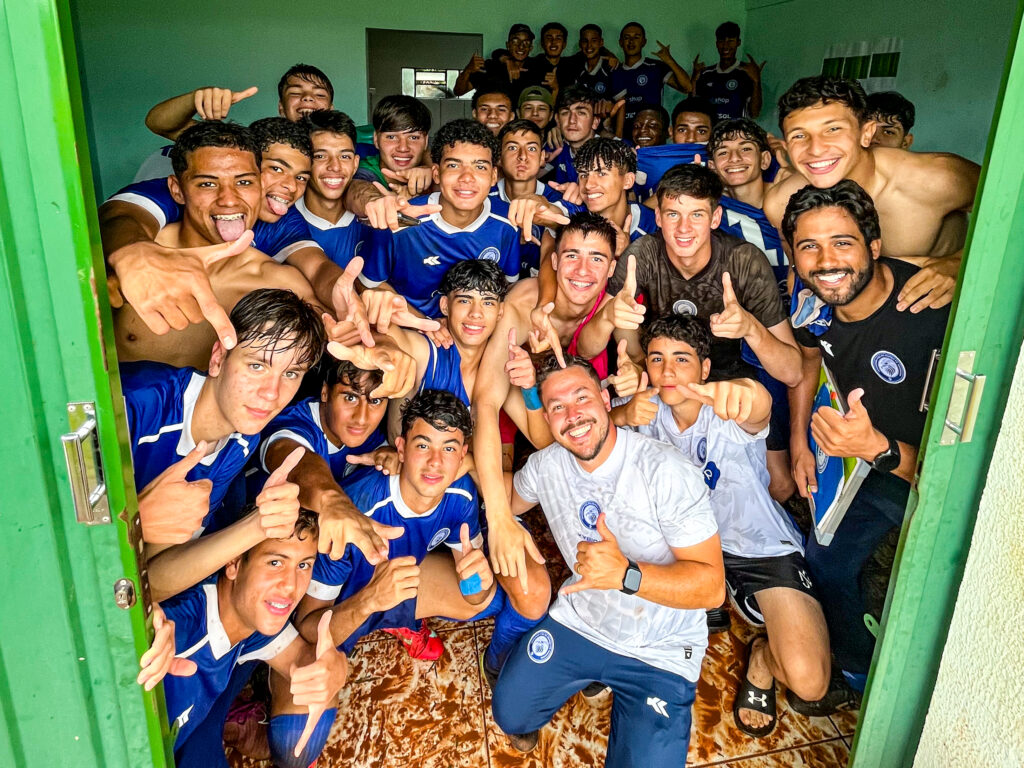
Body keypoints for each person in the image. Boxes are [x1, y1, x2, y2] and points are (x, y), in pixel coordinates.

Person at [490, 355, 724, 764]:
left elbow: (712, 588)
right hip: (583, 621)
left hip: (660, 646)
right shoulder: (546, 466)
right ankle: (588, 675)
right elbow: (504, 499)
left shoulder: (665, 469)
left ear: (604, 398)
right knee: (510, 713)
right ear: (546, 418)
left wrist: (626, 575)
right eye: (558, 407)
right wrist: (459, 470)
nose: (573, 416)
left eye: (581, 397)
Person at [612, 315, 829, 736]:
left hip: (755, 544)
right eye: (656, 359)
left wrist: (748, 393)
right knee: (619, 589)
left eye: (682, 359)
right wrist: (621, 414)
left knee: (809, 680)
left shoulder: (727, 406)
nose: (668, 370)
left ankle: (761, 655)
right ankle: (704, 598)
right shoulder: (643, 407)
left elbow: (757, 406)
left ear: (706, 368)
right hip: (679, 547)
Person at [782, 180, 950, 705]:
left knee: (943, 587)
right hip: (866, 462)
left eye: (842, 242)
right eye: (809, 246)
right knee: (825, 560)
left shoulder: (933, 307)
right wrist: (799, 440)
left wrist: (879, 448)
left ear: (875, 246)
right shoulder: (810, 304)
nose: (826, 261)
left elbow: (973, 463)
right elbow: (808, 358)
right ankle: (857, 674)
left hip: (931, 473)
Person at [295, 389, 545, 673]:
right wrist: (370, 600)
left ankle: (397, 621)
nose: (435, 462)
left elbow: (474, 596)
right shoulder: (358, 508)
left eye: (449, 448)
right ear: (401, 448)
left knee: (492, 599)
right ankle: (383, 616)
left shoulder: (461, 494)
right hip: (349, 602)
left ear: (463, 455)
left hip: (399, 581)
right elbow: (308, 629)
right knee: (315, 663)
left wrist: (478, 580)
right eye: (423, 445)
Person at [473, 214, 639, 601]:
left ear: (611, 268)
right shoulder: (522, 305)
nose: (582, 270)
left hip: (555, 408)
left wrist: (634, 371)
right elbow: (485, 403)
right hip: (520, 397)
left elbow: (638, 357)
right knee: (509, 476)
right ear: (553, 261)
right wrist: (499, 519)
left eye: (597, 258)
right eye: (572, 256)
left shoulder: (612, 306)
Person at [108, 122, 323, 368]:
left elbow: (334, 339)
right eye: (207, 184)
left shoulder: (283, 282)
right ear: (177, 191)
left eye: (244, 182)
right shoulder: (130, 261)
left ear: (261, 186)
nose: (229, 200)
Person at [764, 76, 979, 313]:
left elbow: (1008, 212)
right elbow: (800, 271)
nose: (815, 149)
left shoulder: (935, 179)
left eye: (833, 129)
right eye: (799, 135)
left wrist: (959, 263)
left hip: (947, 312)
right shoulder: (780, 203)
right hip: (857, 322)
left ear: (866, 133)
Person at [579, 164, 802, 391]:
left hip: (726, 385)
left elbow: (793, 373)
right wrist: (607, 316)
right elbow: (585, 350)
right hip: (662, 378)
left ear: (715, 218)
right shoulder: (642, 255)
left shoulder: (744, 261)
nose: (683, 228)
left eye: (696, 215)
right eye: (673, 214)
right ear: (658, 217)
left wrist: (751, 328)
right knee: (622, 321)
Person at [160, 509, 347, 768]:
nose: (291, 585)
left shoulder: (249, 621)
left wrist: (337, 669)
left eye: (303, 565)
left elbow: (301, 659)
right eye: (275, 563)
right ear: (234, 564)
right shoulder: (183, 627)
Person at [707, 118, 797, 504]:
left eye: (745, 149)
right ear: (712, 165)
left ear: (764, 158)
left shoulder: (794, 202)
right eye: (723, 152)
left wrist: (789, 162)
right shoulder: (714, 212)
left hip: (805, 322)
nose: (734, 158)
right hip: (757, 333)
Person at [359, 119, 520, 319]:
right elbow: (368, 286)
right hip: (410, 327)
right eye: (453, 165)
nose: (467, 177)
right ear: (436, 173)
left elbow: (508, 289)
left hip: (474, 328)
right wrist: (426, 325)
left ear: (494, 176)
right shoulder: (398, 223)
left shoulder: (508, 222)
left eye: (480, 167)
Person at [143, 64, 335, 142]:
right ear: (281, 108)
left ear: (331, 110)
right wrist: (196, 98)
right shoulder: (253, 143)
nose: (307, 97)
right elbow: (159, 124)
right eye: (295, 92)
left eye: (319, 94)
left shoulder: (347, 150)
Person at [492, 119, 570, 277]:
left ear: (542, 158)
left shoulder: (557, 198)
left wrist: (547, 213)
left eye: (532, 148)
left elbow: (566, 221)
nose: (522, 156)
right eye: (512, 147)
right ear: (499, 157)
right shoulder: (484, 199)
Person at [293, 109, 368, 270]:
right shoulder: (284, 219)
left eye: (345, 156)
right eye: (320, 156)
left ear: (355, 164)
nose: (335, 166)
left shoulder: (374, 218)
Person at [610, 22, 692, 127]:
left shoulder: (656, 67)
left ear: (644, 42)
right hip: (622, 131)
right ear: (621, 42)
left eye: (636, 37)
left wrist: (669, 60)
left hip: (651, 130)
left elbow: (687, 87)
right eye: (627, 37)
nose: (631, 41)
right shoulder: (614, 70)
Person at [692, 22, 764, 121]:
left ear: (738, 42)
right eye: (721, 41)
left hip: (736, 130)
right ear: (717, 44)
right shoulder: (705, 73)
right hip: (710, 129)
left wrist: (756, 81)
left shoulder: (747, 73)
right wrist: (694, 80)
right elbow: (693, 108)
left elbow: (754, 113)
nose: (725, 46)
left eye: (730, 41)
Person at [454, 23, 539, 104]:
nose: (521, 46)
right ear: (508, 45)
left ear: (531, 48)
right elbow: (458, 91)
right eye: (515, 41)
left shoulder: (536, 68)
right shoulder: (491, 67)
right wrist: (468, 70)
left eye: (526, 43)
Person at [549, 84, 601, 184]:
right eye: (565, 113)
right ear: (557, 120)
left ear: (595, 122)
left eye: (581, 113)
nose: (572, 120)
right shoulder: (556, 147)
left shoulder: (612, 153)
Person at [573, 24, 617, 98]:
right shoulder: (576, 67)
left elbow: (621, 101)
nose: (589, 45)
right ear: (580, 44)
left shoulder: (611, 67)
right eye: (585, 41)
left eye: (594, 41)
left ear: (601, 42)